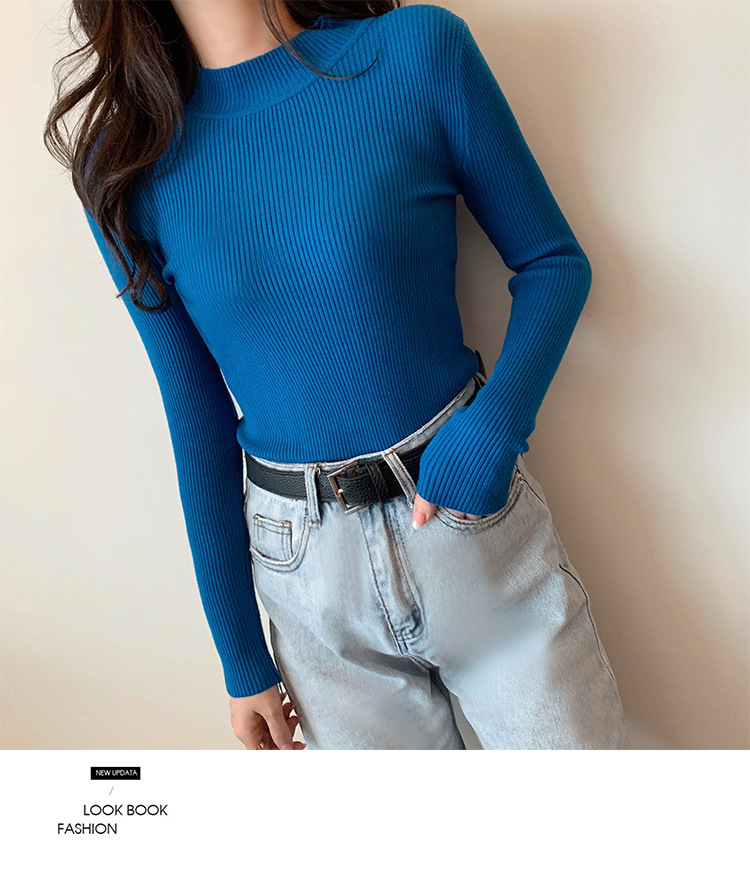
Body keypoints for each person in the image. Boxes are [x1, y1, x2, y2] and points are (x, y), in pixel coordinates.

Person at [46, 0, 631, 749]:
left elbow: (553, 264)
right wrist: (239, 656)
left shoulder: (417, 52)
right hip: (306, 582)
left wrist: (494, 426)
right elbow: (194, 413)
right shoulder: (125, 164)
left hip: (466, 519)